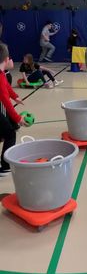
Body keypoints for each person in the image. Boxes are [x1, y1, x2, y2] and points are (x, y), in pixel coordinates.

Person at [0, 43, 27, 176]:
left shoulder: (1, 74)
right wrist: (18, 118)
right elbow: (5, 101)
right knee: (10, 134)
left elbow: (7, 88)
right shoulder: (0, 76)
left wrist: (15, 97)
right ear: (6, 60)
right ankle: (5, 166)